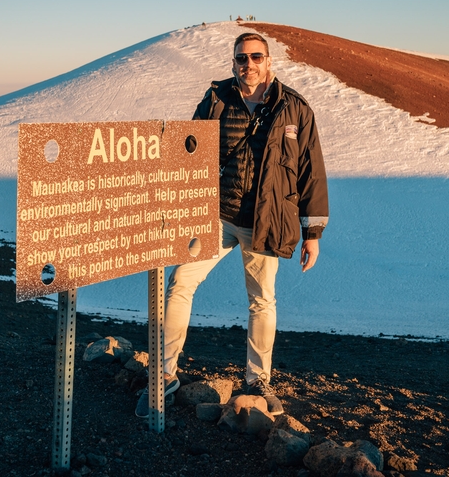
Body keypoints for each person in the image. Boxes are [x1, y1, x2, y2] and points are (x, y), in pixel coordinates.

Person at [136, 32, 329, 418]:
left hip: (265, 222)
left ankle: (258, 380)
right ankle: (164, 374)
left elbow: (311, 173)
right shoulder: (217, 99)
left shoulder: (294, 109)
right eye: (242, 58)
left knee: (262, 299)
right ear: (233, 62)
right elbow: (188, 149)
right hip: (216, 216)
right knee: (180, 284)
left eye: (256, 57)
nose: (249, 64)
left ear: (269, 61)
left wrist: (312, 234)